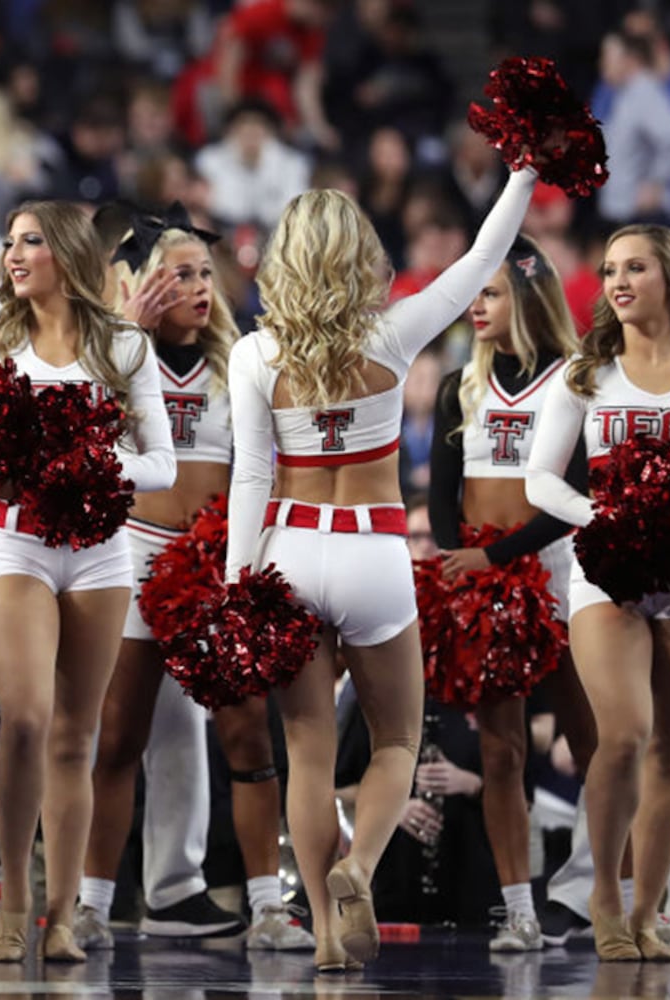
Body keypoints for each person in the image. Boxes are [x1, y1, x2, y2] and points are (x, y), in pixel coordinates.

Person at [225, 157, 535, 970]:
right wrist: (523, 176)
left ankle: (327, 934)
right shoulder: (393, 333)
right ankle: (361, 866)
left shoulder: (255, 354)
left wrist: (234, 585)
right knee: (397, 738)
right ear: (361, 252)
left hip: (288, 551)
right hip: (373, 552)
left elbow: (252, 477)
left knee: (309, 752)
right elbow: (478, 262)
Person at [0, 200, 178, 962]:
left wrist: (87, 462)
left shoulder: (123, 348)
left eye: (32, 241)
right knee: (25, 718)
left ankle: (62, 915)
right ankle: (12, 901)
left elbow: (162, 465)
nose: (15, 255)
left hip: (99, 550)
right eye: (9, 242)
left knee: (78, 736)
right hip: (14, 542)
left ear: (69, 253)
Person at [86, 215, 306, 951]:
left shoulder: (238, 360)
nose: (200, 288)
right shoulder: (107, 354)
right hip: (133, 551)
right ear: (139, 283)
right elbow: (77, 433)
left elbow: (266, 467)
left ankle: (269, 906)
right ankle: (91, 902)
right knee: (118, 735)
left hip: (216, 560)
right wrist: (120, 337)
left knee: (247, 734)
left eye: (206, 273)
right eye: (181, 273)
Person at [525, 223, 670, 962]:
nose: (618, 281)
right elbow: (540, 478)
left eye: (635, 267)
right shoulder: (585, 374)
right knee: (624, 734)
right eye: (608, 270)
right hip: (607, 574)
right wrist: (605, 516)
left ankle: (650, 912)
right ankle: (601, 894)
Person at [426, 235, 587, 951]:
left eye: (489, 292)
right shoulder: (460, 382)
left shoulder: (576, 380)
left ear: (526, 296)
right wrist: (464, 563)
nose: (476, 306)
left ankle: (623, 898)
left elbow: (573, 495)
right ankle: (519, 911)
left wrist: (496, 553)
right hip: (487, 580)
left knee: (596, 744)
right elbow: (439, 495)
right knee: (501, 751)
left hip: (561, 569)